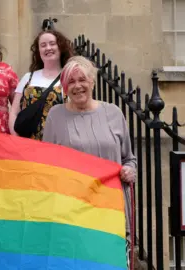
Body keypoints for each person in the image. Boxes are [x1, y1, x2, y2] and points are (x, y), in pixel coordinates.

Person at [42, 55, 136, 269]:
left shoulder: (114, 113)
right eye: (71, 82)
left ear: (92, 81)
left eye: (82, 80)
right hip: (71, 211)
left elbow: (129, 158)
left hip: (110, 210)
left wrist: (130, 170)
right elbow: (47, 165)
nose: (77, 86)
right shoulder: (55, 116)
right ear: (65, 87)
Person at [9, 29, 74, 140]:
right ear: (38, 51)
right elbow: (14, 113)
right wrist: (17, 140)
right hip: (28, 144)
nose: (48, 48)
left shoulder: (69, 77)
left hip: (59, 143)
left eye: (52, 44)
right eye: (43, 45)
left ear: (60, 47)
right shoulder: (28, 78)